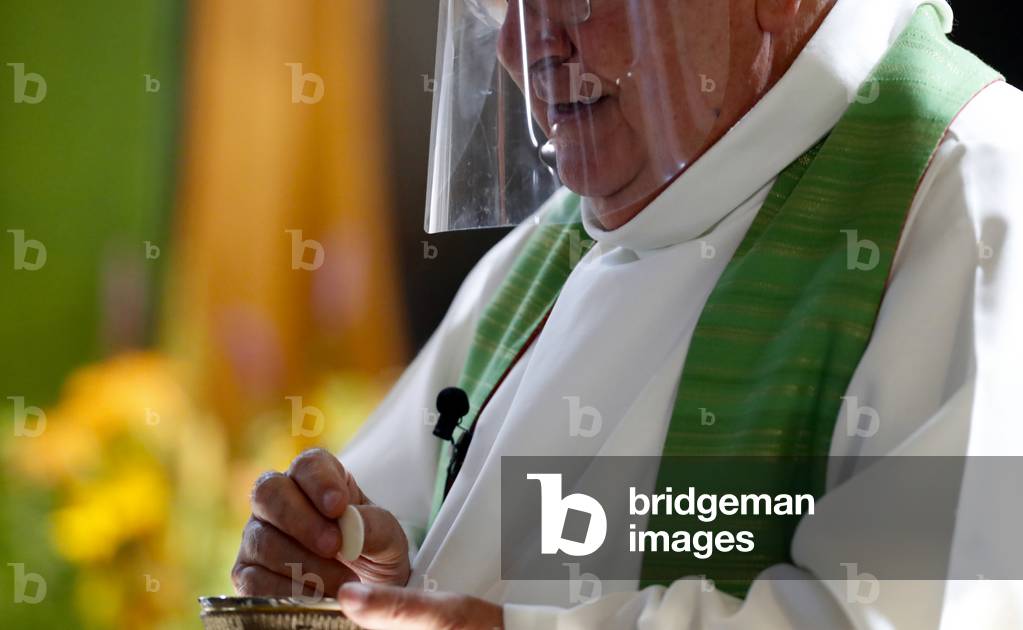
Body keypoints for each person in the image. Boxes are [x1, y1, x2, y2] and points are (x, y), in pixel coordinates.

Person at [232, 0, 1023, 627]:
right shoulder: (559, 243)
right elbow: (382, 553)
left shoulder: (975, 195)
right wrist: (349, 564)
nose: (524, 46)